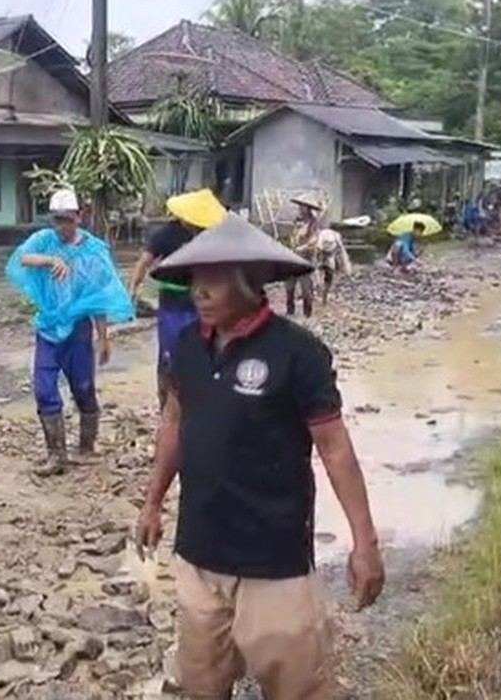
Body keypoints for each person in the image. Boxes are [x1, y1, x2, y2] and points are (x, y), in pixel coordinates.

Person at [134, 214, 384, 699]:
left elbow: (334, 448)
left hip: (275, 562)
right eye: (192, 280)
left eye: (212, 280)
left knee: (297, 690)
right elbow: (173, 423)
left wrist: (364, 541)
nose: (198, 292)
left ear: (249, 282)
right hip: (199, 554)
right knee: (201, 684)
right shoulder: (187, 346)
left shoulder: (298, 353)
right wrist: (151, 502)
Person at [6, 188, 133, 476]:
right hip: (48, 328)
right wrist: (51, 260)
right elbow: (22, 259)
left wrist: (103, 338)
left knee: (83, 388)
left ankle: (86, 447)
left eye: (67, 219)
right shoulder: (45, 240)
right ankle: (56, 455)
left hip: (78, 329)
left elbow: (98, 298)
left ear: (79, 216)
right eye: (57, 220)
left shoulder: (93, 251)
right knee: (44, 388)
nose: (62, 226)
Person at [127, 188, 227, 410]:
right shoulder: (166, 234)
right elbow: (144, 261)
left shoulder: (207, 234)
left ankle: (201, 399)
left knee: (205, 350)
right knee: (170, 353)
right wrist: (134, 287)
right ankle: (167, 401)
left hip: (202, 302)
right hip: (173, 303)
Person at [285, 192, 325, 318]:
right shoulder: (297, 221)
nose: (300, 209)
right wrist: (292, 245)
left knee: (306, 288)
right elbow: (292, 236)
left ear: (308, 208)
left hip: (306, 259)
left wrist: (302, 247)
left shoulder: (314, 223)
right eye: (300, 206)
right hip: (293, 257)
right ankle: (290, 310)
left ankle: (307, 313)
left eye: (303, 206)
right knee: (289, 285)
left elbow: (314, 240)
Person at [313, 228, 351, 304]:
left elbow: (342, 254)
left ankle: (324, 294)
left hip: (329, 258)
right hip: (322, 258)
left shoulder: (336, 238)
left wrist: (345, 267)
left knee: (328, 276)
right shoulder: (320, 238)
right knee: (320, 277)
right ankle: (320, 289)